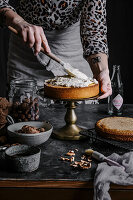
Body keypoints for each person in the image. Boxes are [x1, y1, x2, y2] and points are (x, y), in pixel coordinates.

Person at [0, 0, 112, 99]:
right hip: (26, 47)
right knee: (25, 113)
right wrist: (18, 21)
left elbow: (94, 29)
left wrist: (101, 70)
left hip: (71, 47)